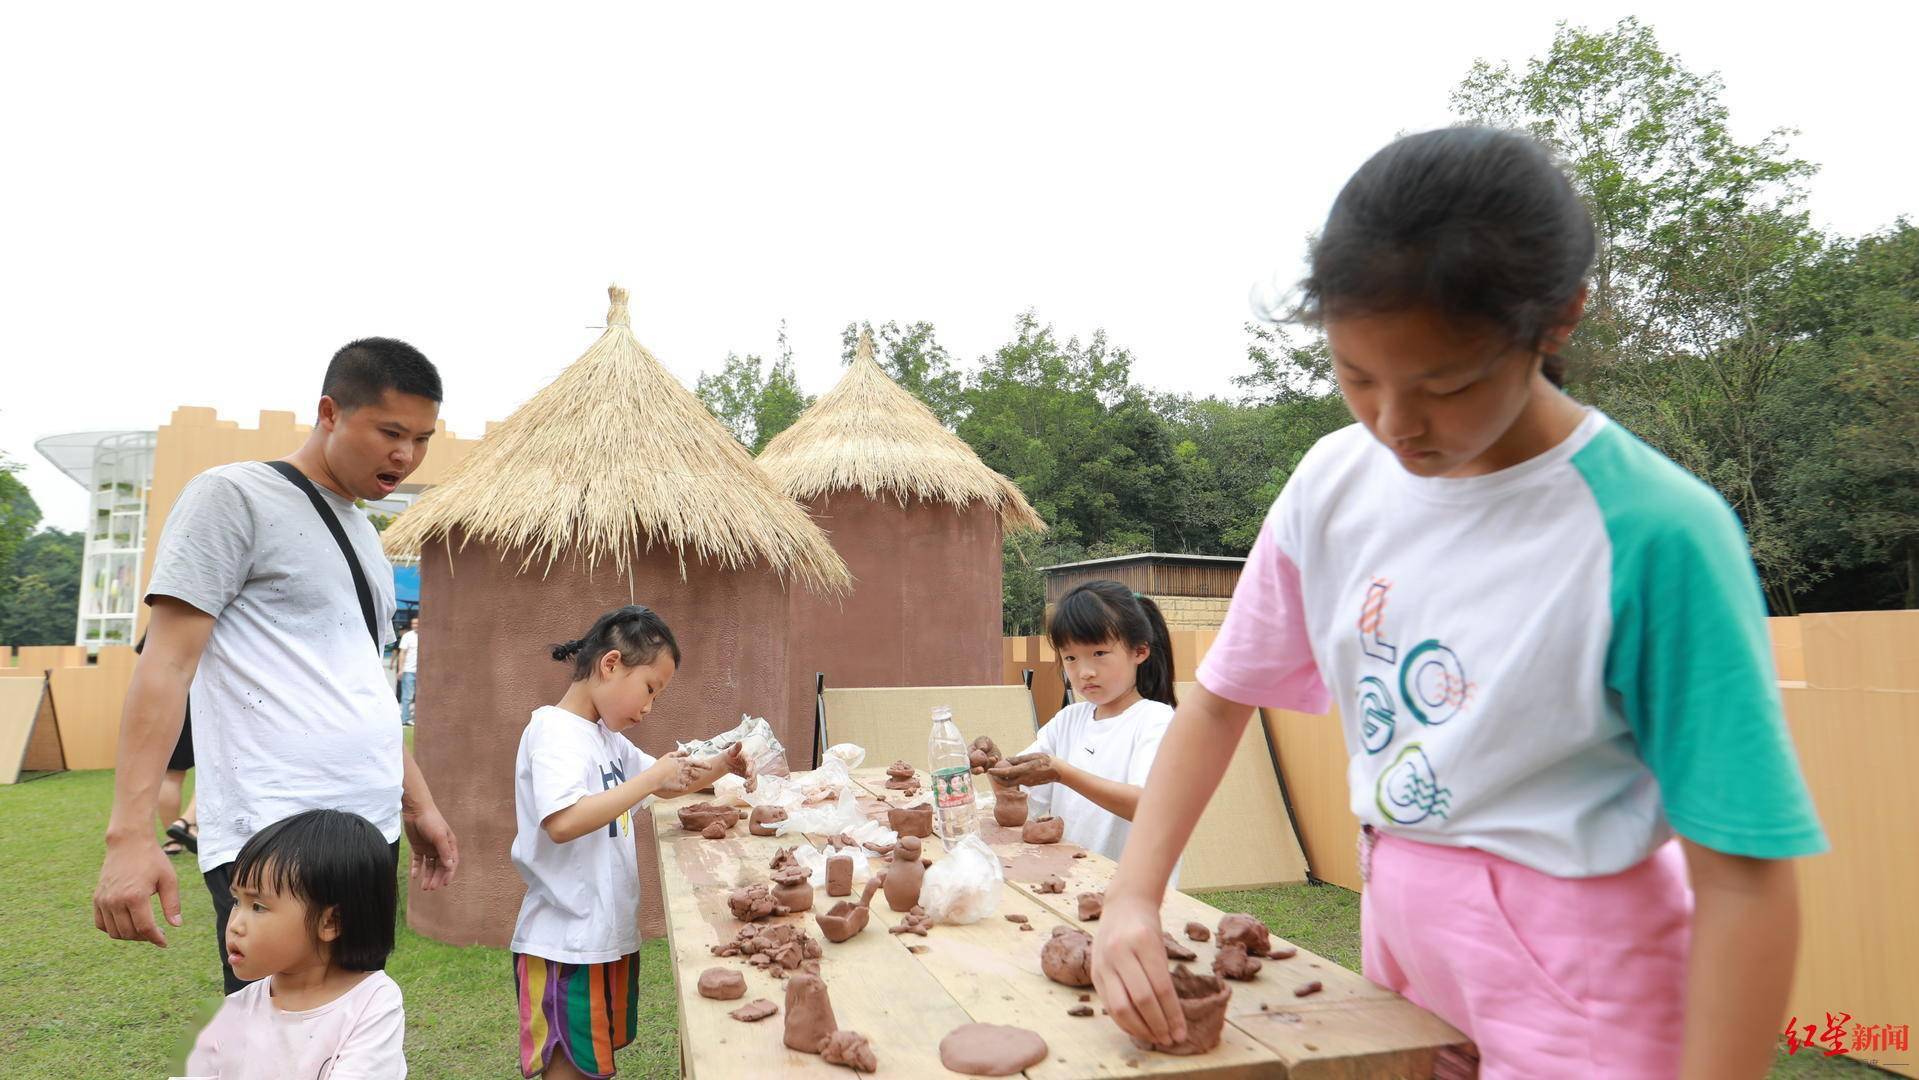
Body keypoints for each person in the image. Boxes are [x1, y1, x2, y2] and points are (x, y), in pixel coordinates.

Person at [1089, 127, 1826, 1078]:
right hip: (1401, 940)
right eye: (1355, 377)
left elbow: (1745, 871)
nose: (1395, 424)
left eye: (1444, 384)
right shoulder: (1332, 484)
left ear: (1557, 320)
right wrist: (1133, 898)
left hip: (1587, 981)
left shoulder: (1654, 531)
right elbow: (1221, 699)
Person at [92, 338, 461, 995]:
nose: (406, 455)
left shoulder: (366, 541)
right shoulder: (233, 497)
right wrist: (128, 836)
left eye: (422, 438)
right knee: (278, 1044)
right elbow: (166, 666)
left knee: (349, 1031)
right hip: (275, 832)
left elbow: (361, 688)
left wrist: (419, 803)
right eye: (390, 431)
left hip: (369, 831)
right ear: (329, 412)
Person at [511, 605, 743, 1080]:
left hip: (601, 935)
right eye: (650, 690)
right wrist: (653, 776)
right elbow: (562, 821)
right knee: (570, 1068)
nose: (648, 708)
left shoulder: (605, 738)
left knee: (596, 1066)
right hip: (565, 945)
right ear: (610, 664)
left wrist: (722, 766)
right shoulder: (554, 733)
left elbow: (666, 781)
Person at [185, 808, 406, 1079]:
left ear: (330, 922)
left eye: (257, 906)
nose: (235, 925)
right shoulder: (230, 1013)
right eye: (235, 902)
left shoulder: (372, 1004)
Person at [987, 580, 1179, 880]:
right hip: (1068, 884)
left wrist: (1063, 773)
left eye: (1099, 653)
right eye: (1070, 658)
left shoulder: (1156, 721)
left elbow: (1150, 808)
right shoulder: (1069, 720)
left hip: (1130, 897)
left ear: (1139, 651)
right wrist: (996, 767)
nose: (1084, 671)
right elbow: (1017, 798)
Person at [394, 616, 420, 726]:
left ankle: (415, 719)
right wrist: (400, 670)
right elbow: (402, 654)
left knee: (419, 697)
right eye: (413, 623)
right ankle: (405, 719)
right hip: (409, 671)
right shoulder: (407, 636)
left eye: (417, 623)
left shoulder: (426, 635)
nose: (415, 626)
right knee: (407, 697)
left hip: (422, 673)